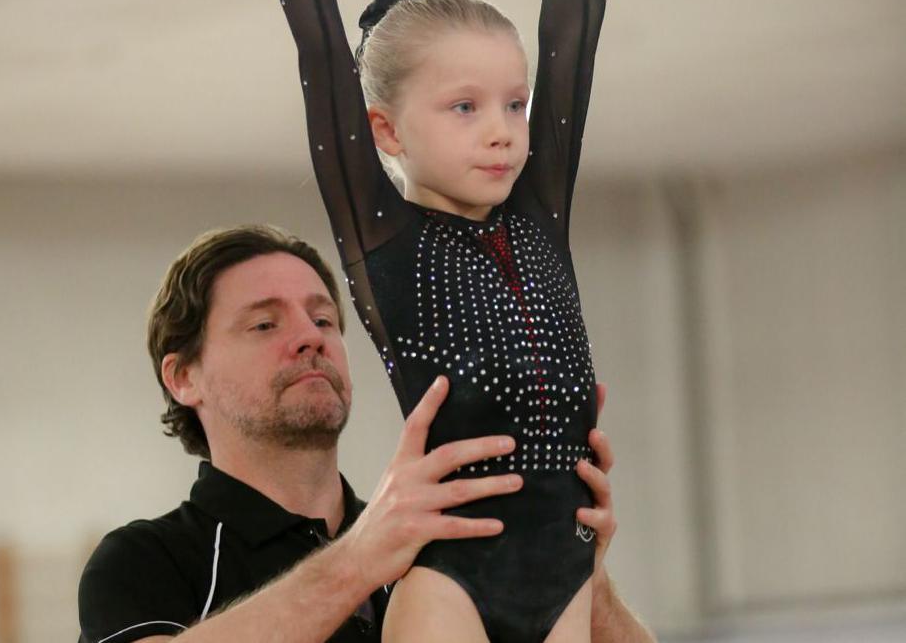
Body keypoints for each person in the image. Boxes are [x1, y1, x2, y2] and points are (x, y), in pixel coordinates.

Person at [235, 0, 661, 643]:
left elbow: (571, 60)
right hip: (454, 581)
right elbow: (324, 63)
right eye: (464, 106)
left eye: (512, 101)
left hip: (568, 571)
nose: (502, 128)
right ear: (387, 131)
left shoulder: (539, 217)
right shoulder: (386, 237)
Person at [77, 224, 654, 643]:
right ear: (183, 377)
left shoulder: (438, 541)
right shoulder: (144, 560)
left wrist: (577, 574)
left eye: (324, 319)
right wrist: (359, 559)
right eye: (264, 323)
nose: (311, 337)